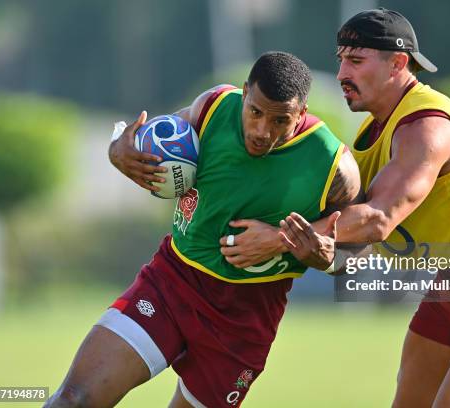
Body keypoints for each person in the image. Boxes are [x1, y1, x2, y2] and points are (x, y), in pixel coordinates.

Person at [220, 9, 450, 408]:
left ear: (398, 63)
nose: (343, 72)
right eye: (341, 59)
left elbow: (379, 218)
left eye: (357, 60)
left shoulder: (427, 128)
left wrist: (279, 238)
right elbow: (353, 231)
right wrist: (320, 251)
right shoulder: (373, 129)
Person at [44, 51, 362, 408]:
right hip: (171, 283)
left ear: (301, 114)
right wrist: (118, 149)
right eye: (255, 112)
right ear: (244, 94)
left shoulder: (333, 166)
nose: (262, 130)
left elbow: (358, 244)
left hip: (244, 319)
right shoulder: (213, 107)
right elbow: (149, 140)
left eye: (280, 121)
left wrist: (324, 255)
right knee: (72, 400)